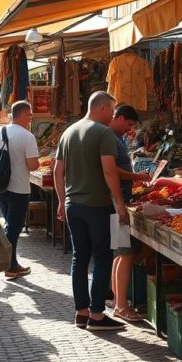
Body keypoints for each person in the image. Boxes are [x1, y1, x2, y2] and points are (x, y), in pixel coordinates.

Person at [53, 91, 126, 331]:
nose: (113, 115)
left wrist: (62, 202)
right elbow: (109, 171)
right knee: (103, 257)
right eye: (113, 110)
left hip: (73, 205)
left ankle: (81, 312)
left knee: (79, 258)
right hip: (97, 205)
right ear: (103, 108)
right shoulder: (104, 133)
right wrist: (120, 203)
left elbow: (57, 171)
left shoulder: (68, 132)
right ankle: (96, 315)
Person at [107, 104, 152, 321]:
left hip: (118, 201)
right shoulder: (110, 137)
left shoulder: (115, 138)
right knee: (125, 253)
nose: (130, 129)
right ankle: (122, 306)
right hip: (117, 201)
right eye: (129, 124)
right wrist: (137, 178)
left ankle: (118, 301)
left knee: (120, 253)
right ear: (120, 117)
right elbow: (111, 171)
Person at [0, 101, 40, 281]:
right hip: (19, 188)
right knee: (14, 227)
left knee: (10, 225)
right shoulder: (27, 136)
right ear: (24, 115)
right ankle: (9, 266)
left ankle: (11, 263)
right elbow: (33, 166)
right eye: (30, 115)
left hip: (1, 186)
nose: (31, 118)